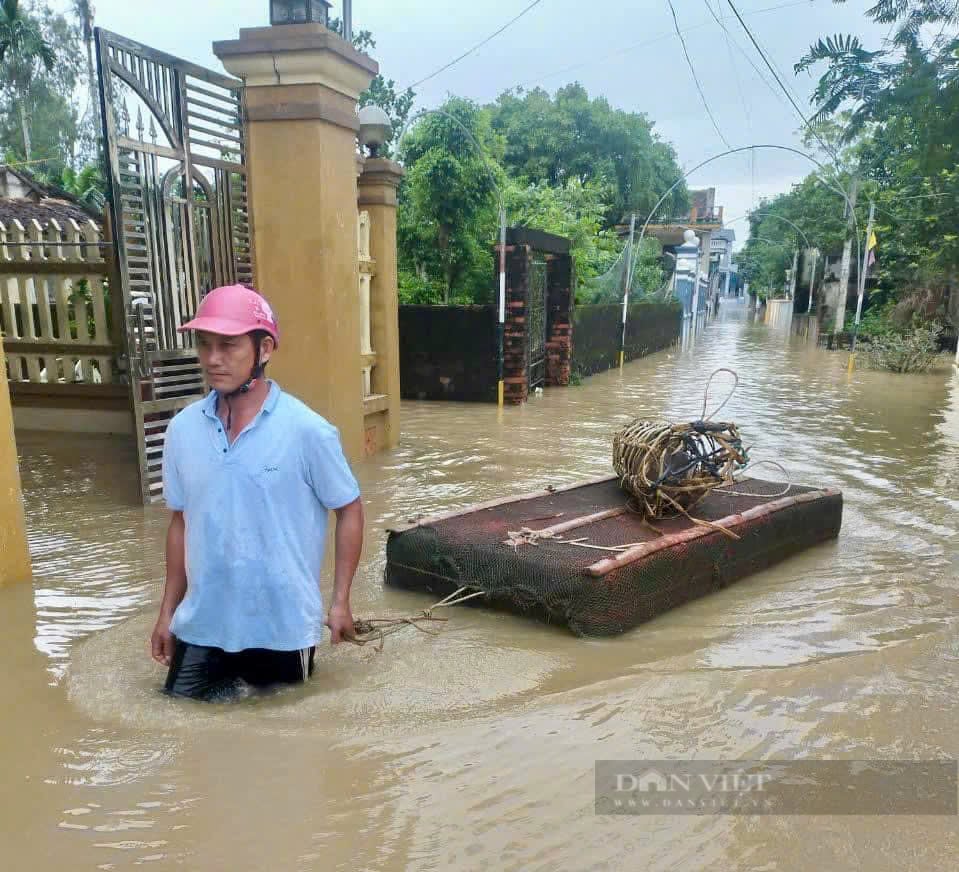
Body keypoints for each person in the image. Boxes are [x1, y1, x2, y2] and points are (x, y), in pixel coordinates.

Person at [150, 284, 365, 700]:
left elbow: (350, 509)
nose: (212, 359)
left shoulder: (308, 431)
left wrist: (340, 602)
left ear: (264, 349)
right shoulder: (182, 430)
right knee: (183, 731)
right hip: (203, 624)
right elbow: (179, 521)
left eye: (228, 346)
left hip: (282, 628)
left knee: (282, 744)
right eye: (204, 345)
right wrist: (167, 614)